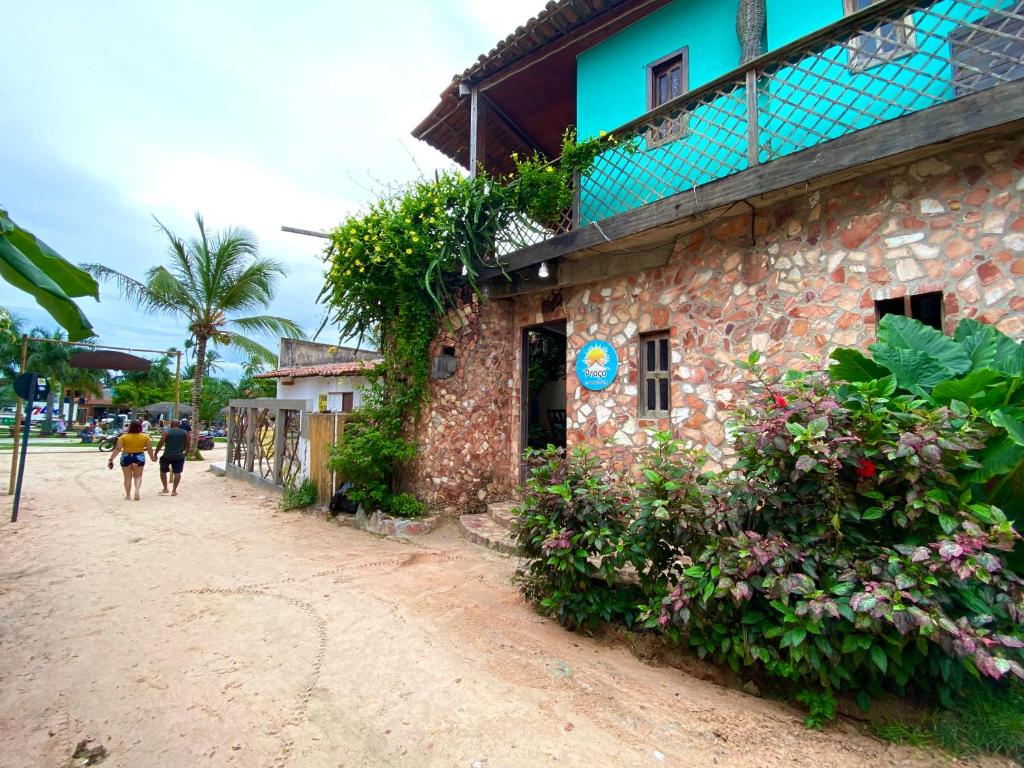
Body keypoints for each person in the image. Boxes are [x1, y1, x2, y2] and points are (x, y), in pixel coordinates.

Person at [107, 420, 155, 501]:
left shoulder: (123, 437)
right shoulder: (145, 436)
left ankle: (128, 495)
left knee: (127, 477)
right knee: (138, 476)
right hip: (139, 456)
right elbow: (149, 448)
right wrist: (152, 457)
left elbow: (118, 449)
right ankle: (137, 490)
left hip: (126, 456)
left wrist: (111, 458)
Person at [154, 419, 191, 496]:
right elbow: (188, 445)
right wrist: (186, 453)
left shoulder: (166, 432)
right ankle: (174, 490)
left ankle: (165, 488)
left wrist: (156, 453)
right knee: (177, 473)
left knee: (163, 471)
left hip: (167, 455)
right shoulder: (185, 432)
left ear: (171, 424)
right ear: (179, 425)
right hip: (179, 455)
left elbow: (160, 443)